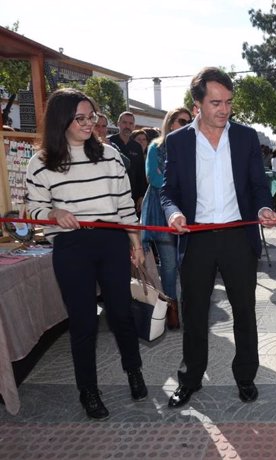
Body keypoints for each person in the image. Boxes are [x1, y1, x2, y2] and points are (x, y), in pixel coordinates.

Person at [25, 88, 147, 420]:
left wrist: (135, 245)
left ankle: (134, 371)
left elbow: (125, 206)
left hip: (111, 242)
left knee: (121, 314)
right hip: (71, 246)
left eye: (91, 117)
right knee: (83, 323)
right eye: (80, 118)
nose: (88, 123)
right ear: (61, 120)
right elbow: (32, 209)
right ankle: (88, 391)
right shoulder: (40, 162)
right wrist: (53, 215)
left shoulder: (109, 155)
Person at [161, 67, 276, 408]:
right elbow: (168, 192)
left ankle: (245, 377)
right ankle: (191, 378)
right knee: (195, 312)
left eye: (228, 102)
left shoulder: (244, 137)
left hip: (237, 237)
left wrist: (263, 208)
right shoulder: (178, 141)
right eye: (215, 102)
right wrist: (174, 214)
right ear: (196, 103)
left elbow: (259, 186)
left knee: (244, 312)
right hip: (196, 238)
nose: (224, 110)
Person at [140, 107, 192, 330]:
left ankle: (191, 309)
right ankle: (172, 310)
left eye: (190, 121)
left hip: (188, 211)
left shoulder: (193, 148)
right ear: (171, 123)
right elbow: (153, 177)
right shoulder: (156, 147)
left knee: (189, 264)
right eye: (182, 121)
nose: (187, 124)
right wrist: (177, 188)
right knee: (169, 265)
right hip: (160, 211)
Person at [109, 112, 146, 212]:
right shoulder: (109, 143)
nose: (127, 126)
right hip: (112, 195)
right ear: (118, 124)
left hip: (133, 195)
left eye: (130, 123)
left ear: (134, 126)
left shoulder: (137, 147)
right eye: (124, 122)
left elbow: (141, 172)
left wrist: (142, 195)